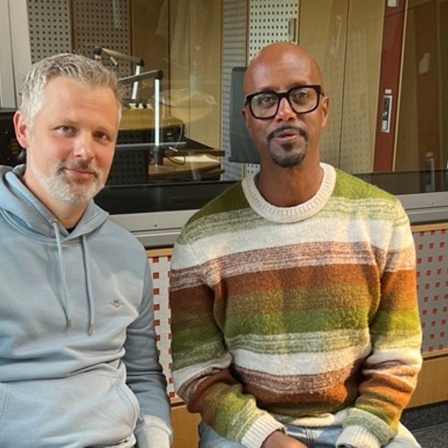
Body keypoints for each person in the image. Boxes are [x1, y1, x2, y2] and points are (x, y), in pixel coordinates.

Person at [169, 42, 423, 448]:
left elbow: (397, 356)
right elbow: (196, 370)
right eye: (266, 100)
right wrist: (269, 439)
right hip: (250, 430)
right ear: (248, 120)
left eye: (300, 95)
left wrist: (359, 438)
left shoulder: (382, 218)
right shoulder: (204, 236)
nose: (284, 112)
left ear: (323, 108)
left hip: (356, 420)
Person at [0, 53, 172, 447]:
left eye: (101, 135)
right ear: (24, 130)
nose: (85, 151)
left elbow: (143, 374)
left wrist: (158, 439)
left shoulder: (128, 254)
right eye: (66, 129)